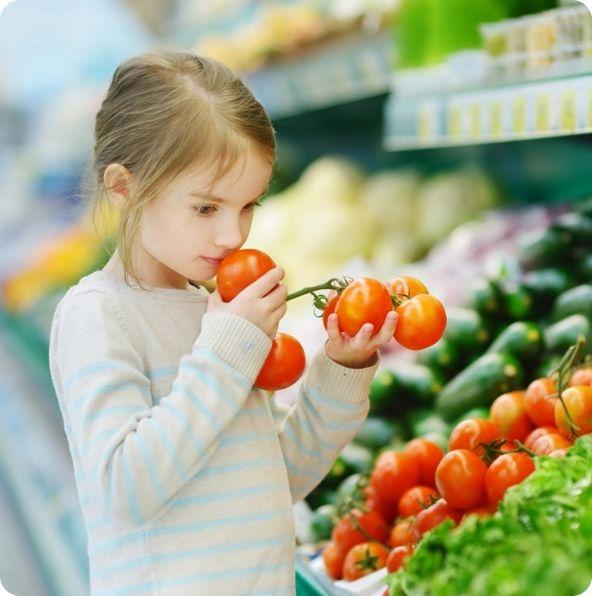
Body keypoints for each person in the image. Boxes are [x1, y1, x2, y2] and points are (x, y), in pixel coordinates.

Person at [49, 50, 398, 595]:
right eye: (207, 209)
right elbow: (125, 487)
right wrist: (228, 348)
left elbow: (275, 477)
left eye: (248, 205)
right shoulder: (97, 315)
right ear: (125, 187)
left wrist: (340, 367)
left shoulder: (212, 311)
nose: (232, 236)